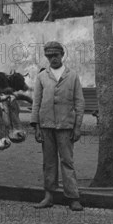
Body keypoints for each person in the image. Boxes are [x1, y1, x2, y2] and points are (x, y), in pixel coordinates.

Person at [30, 41, 84, 211]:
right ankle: (48, 196)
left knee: (67, 161)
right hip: (46, 125)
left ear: (62, 55)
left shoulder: (72, 75)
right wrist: (36, 126)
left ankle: (73, 197)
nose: (53, 59)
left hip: (66, 125)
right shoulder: (41, 77)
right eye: (49, 56)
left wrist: (77, 127)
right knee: (48, 162)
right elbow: (36, 103)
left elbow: (79, 102)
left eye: (56, 55)